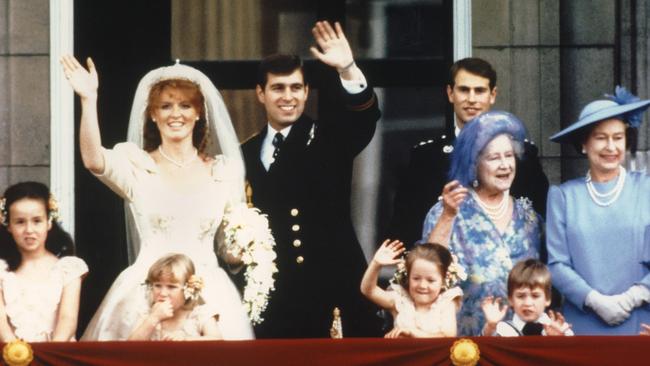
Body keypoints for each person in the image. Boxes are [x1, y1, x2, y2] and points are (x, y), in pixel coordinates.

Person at [61, 55, 255, 340]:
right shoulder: (136, 165)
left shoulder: (223, 171)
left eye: (185, 106)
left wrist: (250, 246)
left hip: (208, 290)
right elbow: (93, 161)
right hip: (146, 291)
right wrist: (88, 100)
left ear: (199, 112)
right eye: (165, 106)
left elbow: (228, 249)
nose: (175, 114)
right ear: (153, 114)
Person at [241, 20, 381, 338]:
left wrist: (347, 68)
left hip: (330, 291)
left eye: (295, 88)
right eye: (277, 88)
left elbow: (364, 117)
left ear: (306, 92)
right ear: (261, 94)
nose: (287, 96)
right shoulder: (245, 153)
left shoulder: (328, 138)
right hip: (274, 300)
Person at [390, 58, 549, 248]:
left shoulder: (522, 155)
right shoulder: (425, 157)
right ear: (450, 93)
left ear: (493, 95)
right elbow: (405, 228)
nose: (471, 99)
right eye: (464, 90)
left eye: (480, 91)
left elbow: (542, 219)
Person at [421, 110, 542, 336]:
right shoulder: (447, 211)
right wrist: (448, 216)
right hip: (464, 346)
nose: (505, 165)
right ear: (473, 164)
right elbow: (428, 268)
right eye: (494, 158)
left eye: (509, 155)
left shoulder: (530, 216)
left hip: (521, 343)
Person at [547, 86, 650, 335]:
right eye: (601, 137)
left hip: (640, 322)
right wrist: (595, 300)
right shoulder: (563, 196)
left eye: (617, 137)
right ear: (584, 144)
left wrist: (632, 297)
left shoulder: (646, 188)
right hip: (582, 323)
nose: (610, 146)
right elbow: (556, 264)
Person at [0, 182, 88, 342]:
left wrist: (50, 355)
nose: (29, 230)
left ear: (49, 222)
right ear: (8, 226)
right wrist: (16, 353)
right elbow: (2, 326)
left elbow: (68, 320)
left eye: (37, 221)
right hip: (10, 354)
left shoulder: (68, 268)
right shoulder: (1, 270)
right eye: (20, 222)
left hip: (57, 354)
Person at [360, 240, 462, 338]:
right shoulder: (400, 299)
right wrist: (376, 264)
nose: (422, 285)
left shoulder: (446, 302)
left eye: (430, 280)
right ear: (408, 277)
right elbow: (369, 290)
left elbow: (448, 336)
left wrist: (413, 332)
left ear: (443, 281)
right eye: (416, 278)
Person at [129, 253, 221, 341]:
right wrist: (153, 318)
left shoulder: (199, 314)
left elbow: (218, 341)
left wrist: (186, 339)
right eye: (157, 285)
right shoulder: (147, 314)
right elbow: (130, 348)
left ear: (189, 289)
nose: (163, 293)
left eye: (171, 287)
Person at [481, 259, 573, 336]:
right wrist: (491, 326)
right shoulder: (501, 331)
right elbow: (482, 352)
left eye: (535, 296)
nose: (528, 303)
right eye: (520, 296)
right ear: (510, 299)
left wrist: (560, 341)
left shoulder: (561, 329)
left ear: (548, 298)